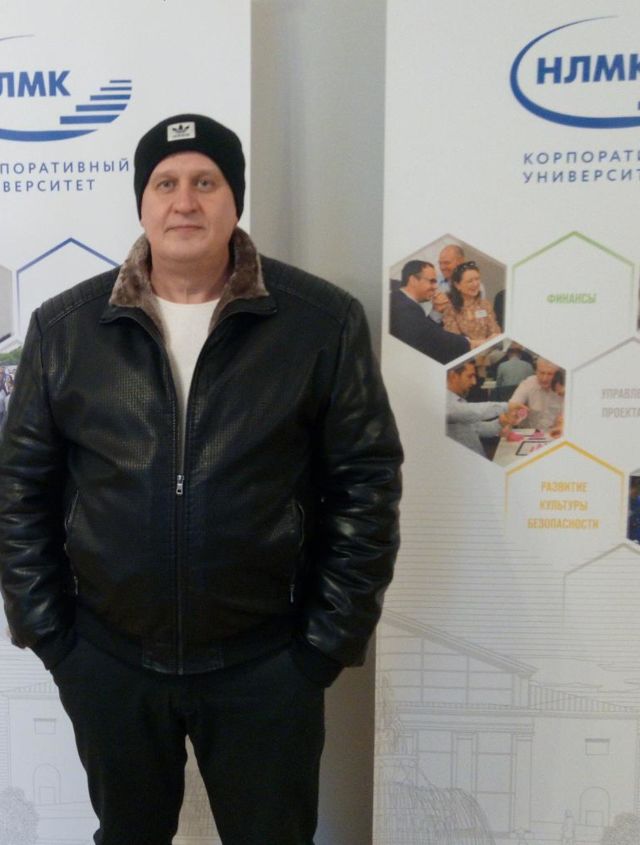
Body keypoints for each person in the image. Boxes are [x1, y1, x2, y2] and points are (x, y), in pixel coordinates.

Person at [0, 114, 403, 845]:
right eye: (166, 183)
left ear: (234, 199)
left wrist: (322, 645)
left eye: (205, 182)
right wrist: (54, 639)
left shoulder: (319, 323)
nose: (184, 201)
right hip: (111, 661)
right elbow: (18, 489)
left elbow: (365, 485)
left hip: (267, 663)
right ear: (142, 202)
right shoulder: (65, 329)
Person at [389, 259, 471, 364]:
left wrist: (436, 311)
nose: (435, 287)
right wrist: (470, 342)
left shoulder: (402, 301)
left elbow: (425, 329)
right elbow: (435, 339)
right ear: (413, 280)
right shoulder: (405, 307)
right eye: (431, 281)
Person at [446, 360, 524, 457]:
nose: (474, 382)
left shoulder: (458, 400)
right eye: (470, 376)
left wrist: (501, 422)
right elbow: (473, 411)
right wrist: (506, 406)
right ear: (453, 376)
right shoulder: (443, 402)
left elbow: (479, 429)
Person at [442, 261, 501, 341]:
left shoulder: (485, 304)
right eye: (470, 281)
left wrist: (494, 337)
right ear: (457, 285)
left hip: (490, 347)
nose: (475, 284)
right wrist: (479, 343)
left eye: (477, 279)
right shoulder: (450, 309)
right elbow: (455, 340)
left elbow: (495, 331)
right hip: (466, 348)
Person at [510, 357, 563, 433]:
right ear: (536, 371)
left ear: (558, 375)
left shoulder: (563, 387)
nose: (544, 378)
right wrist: (515, 412)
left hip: (555, 433)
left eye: (550, 374)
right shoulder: (528, 383)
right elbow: (513, 404)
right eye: (541, 373)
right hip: (529, 432)